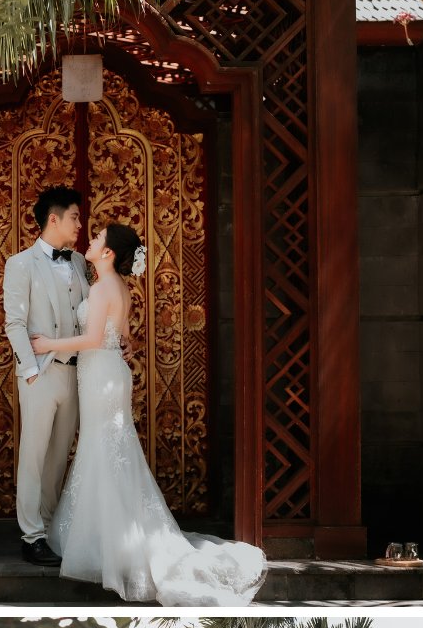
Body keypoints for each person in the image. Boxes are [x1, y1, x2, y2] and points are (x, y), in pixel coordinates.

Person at [31, 222, 267, 604]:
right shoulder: (117, 288)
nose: (89, 242)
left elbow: (92, 339)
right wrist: (121, 347)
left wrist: (47, 344)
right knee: (109, 449)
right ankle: (111, 535)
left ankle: (108, 545)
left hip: (101, 374)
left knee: (103, 449)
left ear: (107, 253)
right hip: (109, 371)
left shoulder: (103, 287)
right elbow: (125, 337)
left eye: (96, 239)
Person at [3, 186, 89, 566]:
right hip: (41, 374)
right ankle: (32, 535)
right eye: (74, 217)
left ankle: (51, 528)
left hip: (76, 373)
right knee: (34, 456)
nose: (79, 224)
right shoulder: (20, 264)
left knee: (58, 456)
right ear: (53, 219)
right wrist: (30, 370)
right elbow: (15, 322)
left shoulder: (79, 263)